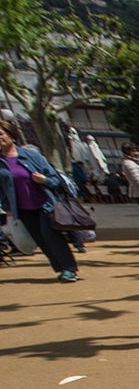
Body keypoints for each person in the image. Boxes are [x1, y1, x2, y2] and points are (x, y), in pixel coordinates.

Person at [0, 119, 81, 282]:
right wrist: (7, 207)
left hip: (45, 204)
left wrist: (44, 180)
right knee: (41, 240)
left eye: (1, 134)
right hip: (22, 209)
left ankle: (69, 269)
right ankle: (60, 268)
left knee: (50, 235)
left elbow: (56, 179)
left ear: (10, 135)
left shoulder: (31, 156)